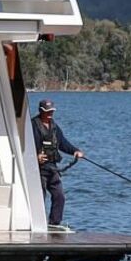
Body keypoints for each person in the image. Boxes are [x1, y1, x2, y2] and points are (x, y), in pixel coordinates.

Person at [33, 98, 82, 231]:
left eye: (52, 111)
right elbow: (26, 145)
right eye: (47, 111)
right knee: (40, 196)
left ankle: (54, 223)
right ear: (41, 111)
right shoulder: (33, 125)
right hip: (38, 169)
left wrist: (75, 151)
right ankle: (37, 222)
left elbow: (63, 143)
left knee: (59, 195)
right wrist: (35, 156)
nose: (50, 114)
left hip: (52, 167)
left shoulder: (54, 127)